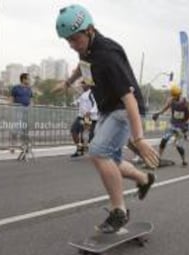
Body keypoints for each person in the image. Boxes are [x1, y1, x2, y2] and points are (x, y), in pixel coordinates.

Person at [56, 4, 159, 233]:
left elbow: (130, 99)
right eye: (68, 41)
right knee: (106, 157)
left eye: (74, 39)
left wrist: (139, 138)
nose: (72, 45)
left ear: (89, 29)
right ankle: (143, 179)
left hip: (122, 108)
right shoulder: (87, 49)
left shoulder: (108, 55)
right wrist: (68, 82)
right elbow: (82, 66)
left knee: (98, 151)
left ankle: (118, 211)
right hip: (107, 108)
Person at [152, 85, 189, 166]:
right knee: (164, 140)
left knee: (178, 144)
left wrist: (187, 123)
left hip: (182, 126)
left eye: (176, 96)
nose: (175, 98)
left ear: (180, 94)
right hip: (173, 124)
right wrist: (158, 114)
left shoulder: (186, 102)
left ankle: (184, 160)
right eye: (173, 96)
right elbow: (165, 108)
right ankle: (158, 158)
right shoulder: (171, 100)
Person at [70, 81, 98, 157]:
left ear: (88, 85)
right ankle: (80, 149)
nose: (82, 85)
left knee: (89, 136)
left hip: (91, 117)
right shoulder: (83, 94)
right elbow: (81, 101)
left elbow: (97, 104)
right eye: (82, 84)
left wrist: (91, 112)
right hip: (81, 116)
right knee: (74, 130)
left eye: (84, 84)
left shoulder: (93, 93)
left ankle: (92, 152)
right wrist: (75, 103)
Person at [10, 73, 33, 152]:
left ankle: (24, 146)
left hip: (26, 111)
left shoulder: (29, 89)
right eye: (28, 79)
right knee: (16, 128)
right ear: (23, 79)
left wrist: (31, 108)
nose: (29, 80)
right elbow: (11, 99)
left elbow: (30, 100)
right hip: (17, 110)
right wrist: (12, 108)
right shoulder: (16, 88)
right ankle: (12, 146)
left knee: (25, 129)